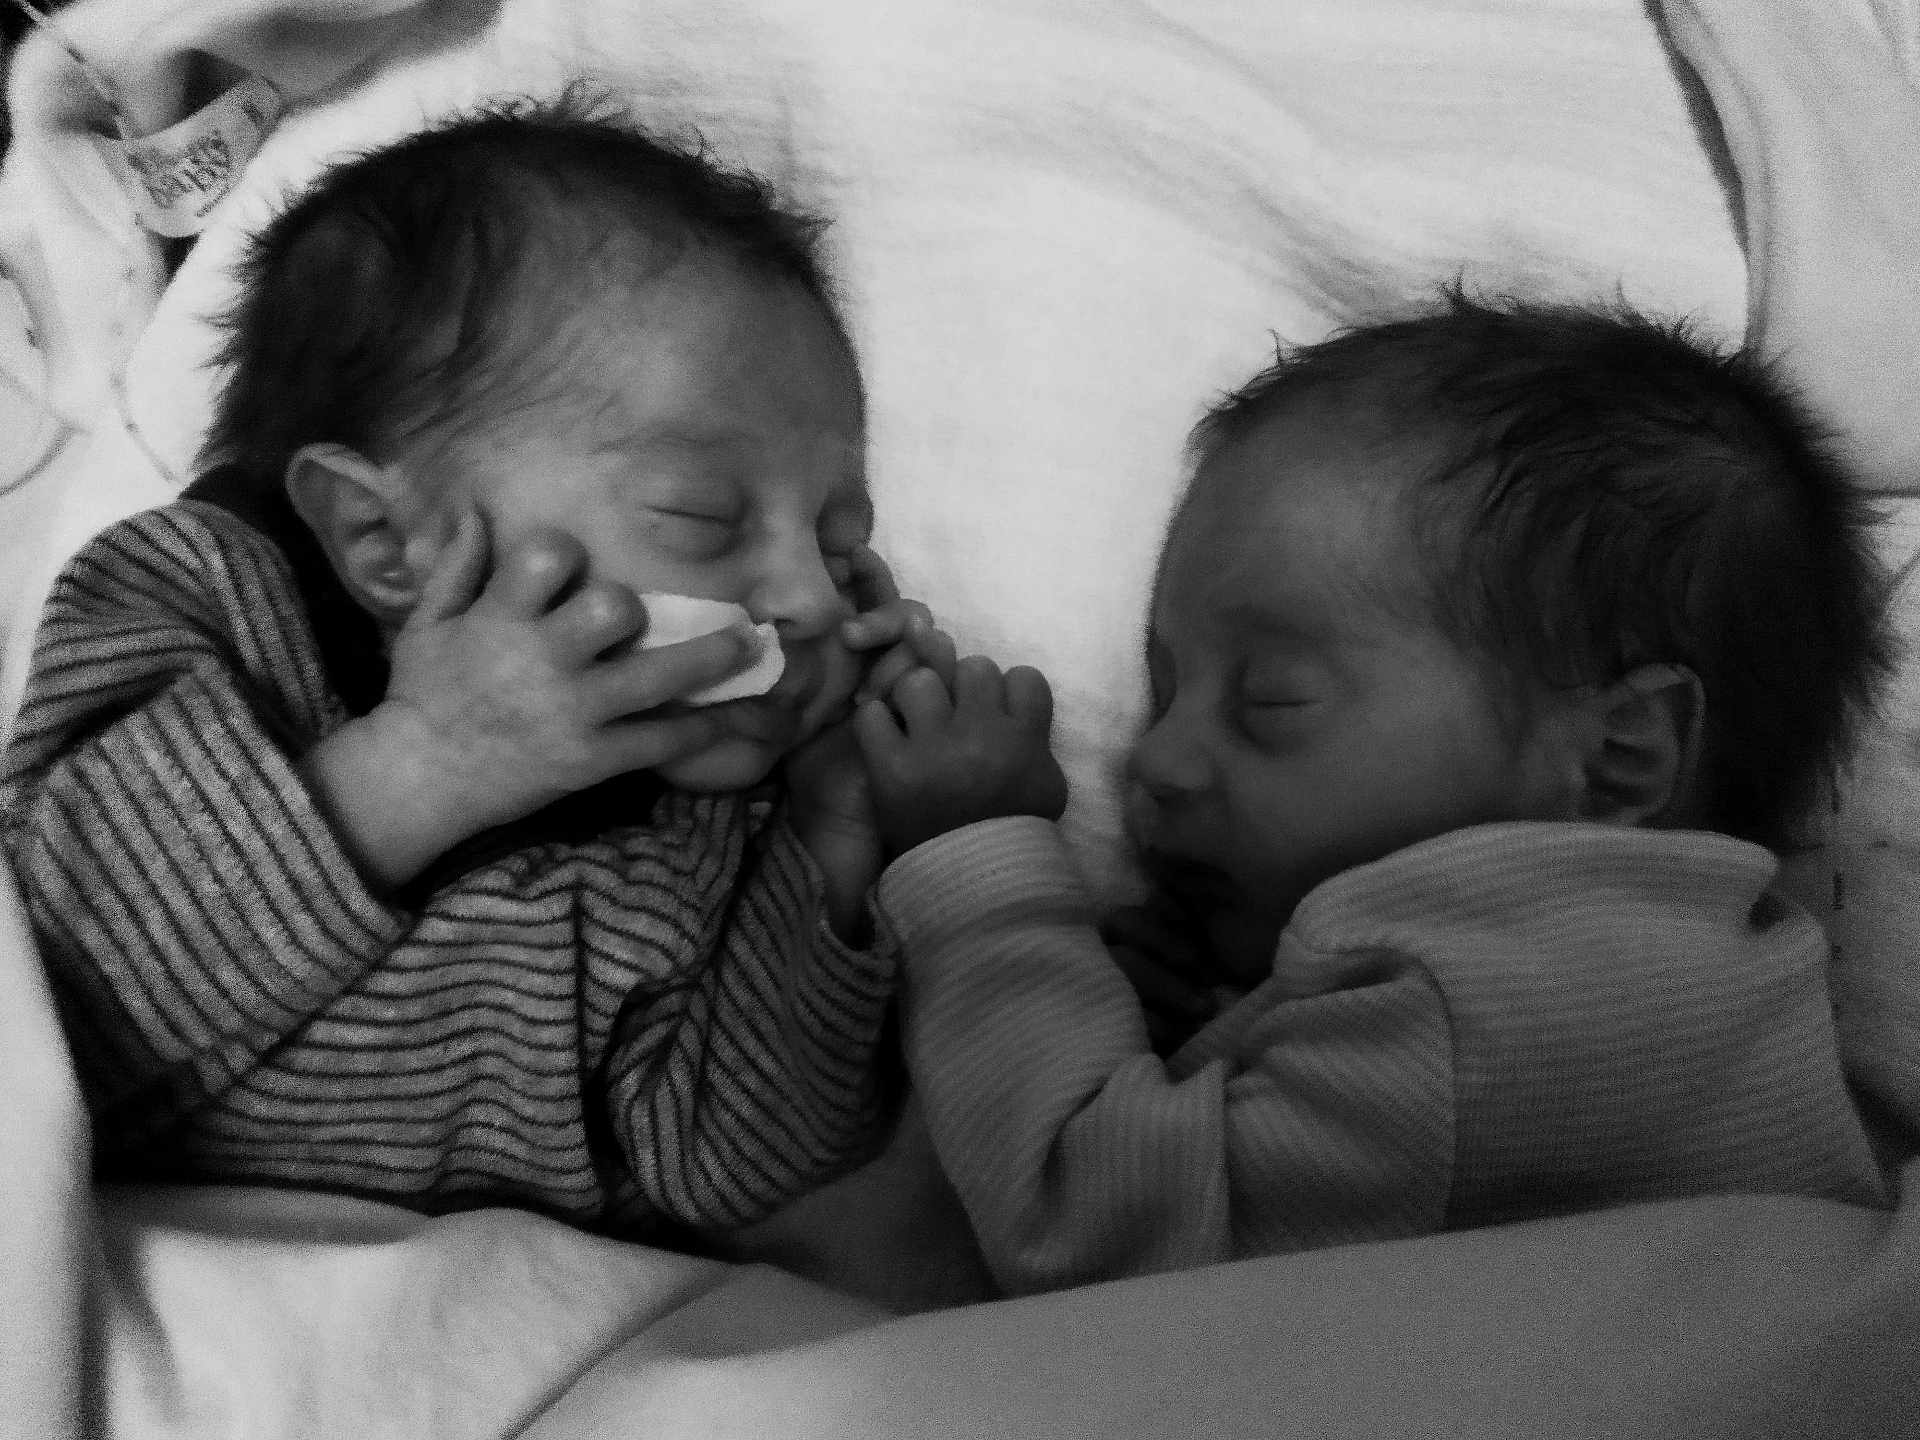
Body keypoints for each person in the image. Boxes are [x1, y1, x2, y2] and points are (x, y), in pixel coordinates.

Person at [0, 91, 1017, 1240]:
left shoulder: (714, 821)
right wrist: (427, 761)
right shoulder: (211, 604)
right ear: (388, 541)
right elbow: (46, 981)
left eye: (840, 543)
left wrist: (832, 843)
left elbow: (726, 1164)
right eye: (702, 516)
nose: (812, 598)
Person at [854, 291, 1898, 1294]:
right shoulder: (1709, 990)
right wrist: (1226, 1045)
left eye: (1269, 701)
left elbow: (1083, 1228)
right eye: (1162, 689)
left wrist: (981, 867)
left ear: (1619, 758)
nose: (1154, 761)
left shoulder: (1461, 1015)